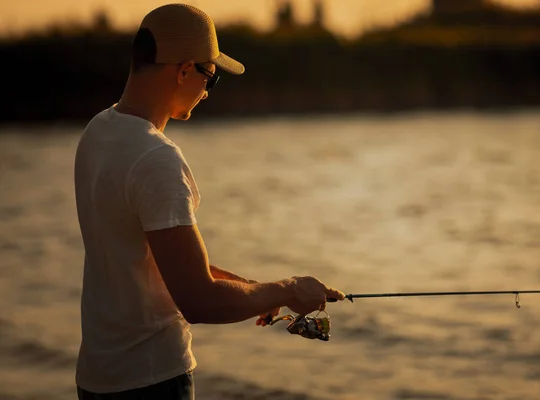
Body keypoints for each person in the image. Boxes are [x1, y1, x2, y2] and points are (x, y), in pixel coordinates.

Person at [73, 4, 345, 399]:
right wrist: (288, 289)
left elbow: (149, 258)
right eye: (210, 78)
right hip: (151, 381)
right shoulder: (156, 158)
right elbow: (199, 301)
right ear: (184, 70)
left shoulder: (98, 132)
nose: (205, 92)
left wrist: (252, 291)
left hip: (98, 378)